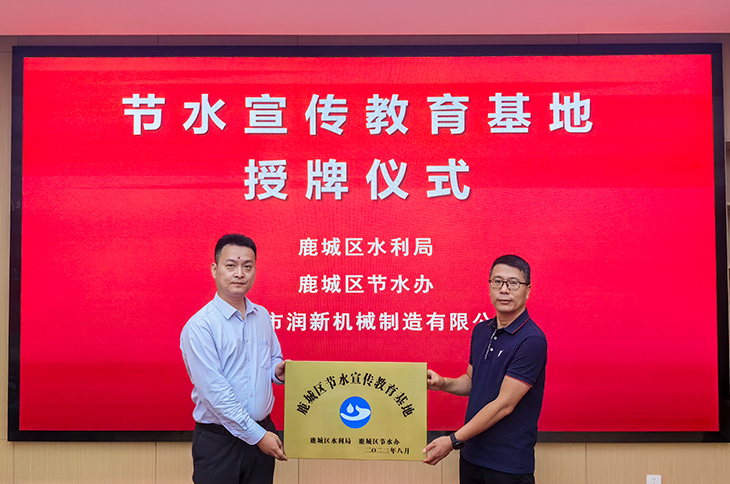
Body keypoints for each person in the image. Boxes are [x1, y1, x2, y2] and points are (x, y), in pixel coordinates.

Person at [423, 255, 547, 484]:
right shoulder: (481, 331)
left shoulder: (532, 340)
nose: (504, 289)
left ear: (527, 290)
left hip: (507, 464)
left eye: (513, 283)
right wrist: (443, 383)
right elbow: (472, 381)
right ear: (490, 286)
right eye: (497, 282)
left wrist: (452, 440)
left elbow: (504, 404)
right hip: (471, 455)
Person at [180, 233, 287, 484]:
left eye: (247, 266)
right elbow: (215, 394)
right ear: (214, 270)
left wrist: (277, 371)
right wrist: (258, 436)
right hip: (220, 442)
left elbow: (273, 358)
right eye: (231, 265)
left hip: (262, 433)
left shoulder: (262, 316)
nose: (240, 274)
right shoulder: (200, 326)